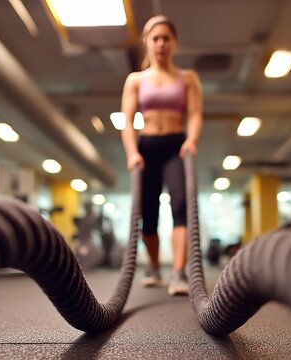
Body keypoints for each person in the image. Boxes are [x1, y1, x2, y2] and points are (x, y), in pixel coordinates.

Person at [120, 15, 203, 296]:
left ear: (174, 42)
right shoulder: (136, 80)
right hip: (147, 148)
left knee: (180, 204)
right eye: (155, 38)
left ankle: (178, 272)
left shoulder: (188, 78)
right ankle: (154, 266)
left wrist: (191, 139)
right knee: (148, 214)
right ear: (147, 42)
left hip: (175, 147)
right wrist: (132, 152)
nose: (161, 43)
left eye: (166, 38)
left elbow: (194, 114)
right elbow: (128, 121)